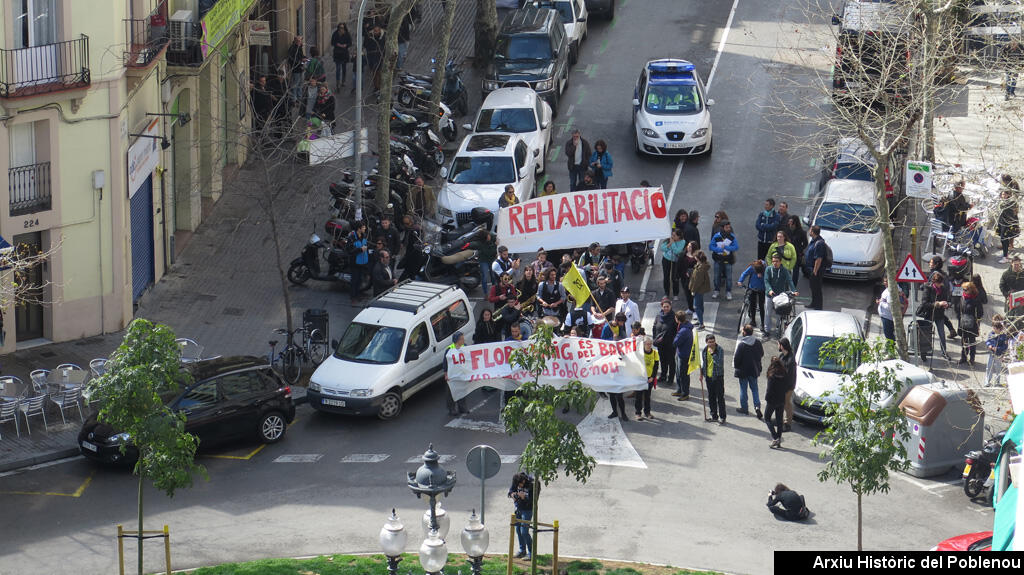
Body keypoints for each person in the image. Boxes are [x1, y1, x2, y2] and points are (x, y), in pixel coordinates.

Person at [919, 271, 953, 361]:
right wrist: (938, 304)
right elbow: (924, 303)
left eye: (941, 283)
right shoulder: (928, 288)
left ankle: (944, 352)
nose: (940, 285)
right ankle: (924, 352)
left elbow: (947, 299)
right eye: (939, 283)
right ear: (934, 282)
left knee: (942, 334)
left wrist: (947, 304)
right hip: (929, 315)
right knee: (926, 334)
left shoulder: (943, 288)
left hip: (939, 315)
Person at [733, 324, 764, 419]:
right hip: (754, 370)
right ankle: (757, 406)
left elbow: (737, 359)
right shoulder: (757, 343)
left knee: (743, 389)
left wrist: (737, 367)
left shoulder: (742, 345)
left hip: (743, 371)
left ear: (745, 332)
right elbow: (761, 354)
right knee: (754, 389)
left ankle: (744, 408)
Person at [602, 313, 629, 420]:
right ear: (617, 320)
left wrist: (620, 339)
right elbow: (602, 341)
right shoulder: (607, 327)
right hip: (610, 360)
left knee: (619, 393)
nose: (622, 324)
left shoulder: (621, 326)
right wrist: (612, 339)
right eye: (621, 322)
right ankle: (614, 411)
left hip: (619, 360)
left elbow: (624, 337)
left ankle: (623, 413)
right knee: (612, 393)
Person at [764, 253, 796, 337]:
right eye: (773, 261)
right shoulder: (768, 269)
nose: (774, 263)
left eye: (776, 261)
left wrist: (794, 290)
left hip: (780, 296)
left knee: (779, 313)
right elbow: (766, 281)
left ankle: (778, 328)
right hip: (770, 295)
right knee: (768, 313)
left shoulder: (784, 270)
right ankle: (766, 330)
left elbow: (789, 280)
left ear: (780, 262)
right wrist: (770, 290)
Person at [709, 220, 739, 300]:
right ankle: (716, 290)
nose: (729, 229)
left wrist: (726, 247)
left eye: (729, 227)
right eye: (727, 227)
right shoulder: (716, 236)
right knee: (716, 276)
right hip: (718, 259)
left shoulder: (732, 236)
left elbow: (736, 247)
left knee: (729, 277)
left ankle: (728, 291)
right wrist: (719, 250)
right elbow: (711, 247)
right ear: (722, 228)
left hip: (728, 260)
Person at [700, 333, 726, 424]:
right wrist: (702, 373)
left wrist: (713, 354)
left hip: (718, 377)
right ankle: (714, 415)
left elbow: (719, 363)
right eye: (709, 342)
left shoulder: (719, 350)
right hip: (709, 377)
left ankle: (722, 416)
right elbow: (704, 363)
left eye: (713, 341)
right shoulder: (704, 350)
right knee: (711, 397)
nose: (711, 344)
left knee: (720, 397)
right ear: (706, 342)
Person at [508, 472, 534, 560]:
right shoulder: (516, 482)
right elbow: (510, 492)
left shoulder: (531, 485)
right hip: (518, 508)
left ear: (524, 480)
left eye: (522, 483)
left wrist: (524, 498)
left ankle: (532, 553)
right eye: (519, 484)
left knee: (524, 532)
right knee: (518, 530)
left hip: (527, 510)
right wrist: (514, 495)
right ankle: (522, 551)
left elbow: (532, 501)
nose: (521, 485)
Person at [653, 298, 678, 387]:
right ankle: (663, 375)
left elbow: (677, 331)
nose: (666, 308)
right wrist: (654, 339)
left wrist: (674, 342)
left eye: (667, 307)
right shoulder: (658, 316)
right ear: (661, 307)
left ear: (670, 307)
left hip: (670, 344)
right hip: (661, 344)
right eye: (664, 307)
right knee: (662, 360)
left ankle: (670, 378)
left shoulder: (674, 317)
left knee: (671, 362)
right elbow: (654, 327)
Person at [764, 356, 788, 448]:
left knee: (767, 418)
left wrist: (767, 398)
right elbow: (786, 386)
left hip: (772, 400)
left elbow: (769, 389)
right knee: (779, 421)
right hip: (781, 399)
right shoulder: (784, 373)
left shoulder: (772, 375)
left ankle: (775, 438)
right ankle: (779, 439)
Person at [443, 332, 470, 415]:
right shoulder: (449, 349)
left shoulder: (464, 347)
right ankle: (451, 409)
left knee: (462, 390)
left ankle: (462, 407)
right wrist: (446, 374)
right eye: (462, 339)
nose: (463, 340)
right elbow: (445, 362)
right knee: (451, 392)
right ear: (457, 340)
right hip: (452, 374)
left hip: (461, 373)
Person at [737, 260, 766, 332]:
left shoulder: (766, 269)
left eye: (760, 273)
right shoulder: (752, 267)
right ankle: (753, 321)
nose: (759, 275)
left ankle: (762, 324)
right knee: (752, 305)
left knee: (761, 306)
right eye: (757, 273)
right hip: (752, 288)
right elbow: (744, 274)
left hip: (762, 289)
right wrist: (740, 281)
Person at [959, 282, 983, 366]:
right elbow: (960, 309)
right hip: (963, 322)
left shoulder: (976, 299)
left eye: (965, 289)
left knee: (972, 342)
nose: (964, 291)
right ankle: (963, 357)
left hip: (972, 324)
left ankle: (972, 359)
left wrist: (976, 320)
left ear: (971, 290)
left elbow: (980, 312)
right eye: (963, 289)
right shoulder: (963, 297)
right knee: (964, 341)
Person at [636, 336, 659, 420]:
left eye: (650, 344)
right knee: (638, 395)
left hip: (650, 378)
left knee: (647, 396)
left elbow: (656, 366)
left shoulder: (655, 353)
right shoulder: (640, 353)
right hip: (641, 377)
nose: (649, 346)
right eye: (647, 344)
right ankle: (638, 413)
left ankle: (647, 412)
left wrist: (652, 377)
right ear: (644, 344)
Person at [876, 276, 904, 342]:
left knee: (889, 335)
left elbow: (890, 307)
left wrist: (881, 302)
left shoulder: (890, 292)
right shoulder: (894, 289)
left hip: (887, 317)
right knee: (890, 334)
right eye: (884, 281)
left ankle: (892, 348)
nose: (884, 283)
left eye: (886, 281)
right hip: (888, 316)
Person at [673, 310, 694, 399]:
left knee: (683, 375)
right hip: (680, 352)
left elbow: (675, 342)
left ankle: (685, 393)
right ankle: (679, 390)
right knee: (678, 373)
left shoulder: (683, 331)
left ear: (677, 319)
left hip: (683, 355)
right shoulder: (684, 326)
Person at [469, 231, 497, 296]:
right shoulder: (480, 244)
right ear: (485, 238)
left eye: (489, 235)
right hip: (484, 260)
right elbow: (489, 252)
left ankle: (494, 291)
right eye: (488, 236)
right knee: (484, 277)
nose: (489, 236)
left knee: (493, 276)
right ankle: (486, 294)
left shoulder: (492, 236)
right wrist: (495, 245)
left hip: (491, 259)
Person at [662, 228, 687, 300]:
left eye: (674, 235)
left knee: (674, 277)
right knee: (666, 276)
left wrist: (672, 244)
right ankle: (666, 293)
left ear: (679, 236)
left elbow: (677, 251)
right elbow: (662, 248)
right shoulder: (669, 239)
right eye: (672, 235)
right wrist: (669, 244)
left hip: (675, 261)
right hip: (666, 259)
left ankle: (675, 294)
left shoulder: (682, 242)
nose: (672, 237)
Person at [689, 251, 712, 329]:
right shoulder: (702, 265)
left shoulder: (701, 268)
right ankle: (699, 320)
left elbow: (697, 281)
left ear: (698, 258)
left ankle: (701, 324)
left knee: (696, 307)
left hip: (698, 289)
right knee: (700, 305)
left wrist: (693, 290)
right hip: (701, 289)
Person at [805, 225, 826, 310]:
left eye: (810, 230)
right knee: (813, 287)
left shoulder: (819, 243)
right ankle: (814, 303)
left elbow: (819, 259)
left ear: (813, 232)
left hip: (816, 270)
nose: (809, 232)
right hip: (811, 269)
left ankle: (818, 307)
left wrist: (815, 271)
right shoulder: (814, 241)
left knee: (816, 288)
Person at [348, 222, 370, 302]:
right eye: (363, 227)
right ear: (359, 229)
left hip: (363, 262)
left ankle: (358, 294)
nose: (365, 229)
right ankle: (353, 297)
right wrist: (360, 249)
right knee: (354, 280)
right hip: (355, 263)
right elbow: (350, 250)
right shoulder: (352, 238)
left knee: (360, 280)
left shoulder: (364, 236)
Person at [778, 337, 797, 431]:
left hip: (788, 386)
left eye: (779, 344)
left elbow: (789, 375)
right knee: (782, 403)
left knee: (786, 404)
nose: (778, 346)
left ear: (782, 346)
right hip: (782, 385)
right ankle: (781, 420)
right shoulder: (782, 356)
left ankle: (788, 423)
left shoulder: (790, 359)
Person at [997, 188, 1020, 263]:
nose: (1002, 196)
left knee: (1004, 240)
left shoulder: (1011, 203)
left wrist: (1001, 203)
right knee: (1003, 239)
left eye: (1004, 194)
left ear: (1008, 195)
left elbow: (1003, 209)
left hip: (1007, 225)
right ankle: (1005, 253)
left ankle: (1005, 257)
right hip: (1004, 223)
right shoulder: (1008, 202)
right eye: (1002, 194)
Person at [986, 320, 1010, 387]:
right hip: (991, 353)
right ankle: (987, 381)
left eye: (994, 328)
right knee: (989, 367)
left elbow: (1005, 346)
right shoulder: (991, 334)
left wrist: (998, 349)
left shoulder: (1003, 336)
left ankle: (997, 381)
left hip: (999, 354)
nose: (993, 329)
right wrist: (989, 345)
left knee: (998, 368)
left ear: (999, 329)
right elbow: (988, 340)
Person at [787, 216, 808, 288]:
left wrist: (799, 249)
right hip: (787, 253)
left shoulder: (801, 232)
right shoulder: (788, 231)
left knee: (795, 272)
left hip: (796, 254)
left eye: (790, 222)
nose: (789, 223)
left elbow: (805, 243)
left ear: (794, 223)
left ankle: (793, 287)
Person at [331, 23, 352, 89]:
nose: (341, 29)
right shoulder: (335, 34)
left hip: (344, 54)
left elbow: (350, 43)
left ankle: (343, 81)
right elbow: (332, 42)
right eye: (340, 27)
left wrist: (346, 45)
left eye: (342, 28)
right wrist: (338, 44)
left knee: (344, 68)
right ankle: (337, 82)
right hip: (337, 54)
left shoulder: (347, 34)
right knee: (338, 69)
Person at [287, 35, 306, 107]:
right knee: (295, 85)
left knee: (300, 84)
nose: (300, 42)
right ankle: (294, 100)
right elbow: (292, 59)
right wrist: (301, 61)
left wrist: (306, 59)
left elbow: (301, 56)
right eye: (298, 41)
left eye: (300, 40)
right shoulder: (292, 48)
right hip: (296, 69)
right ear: (295, 41)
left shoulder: (299, 47)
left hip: (300, 69)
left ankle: (299, 98)